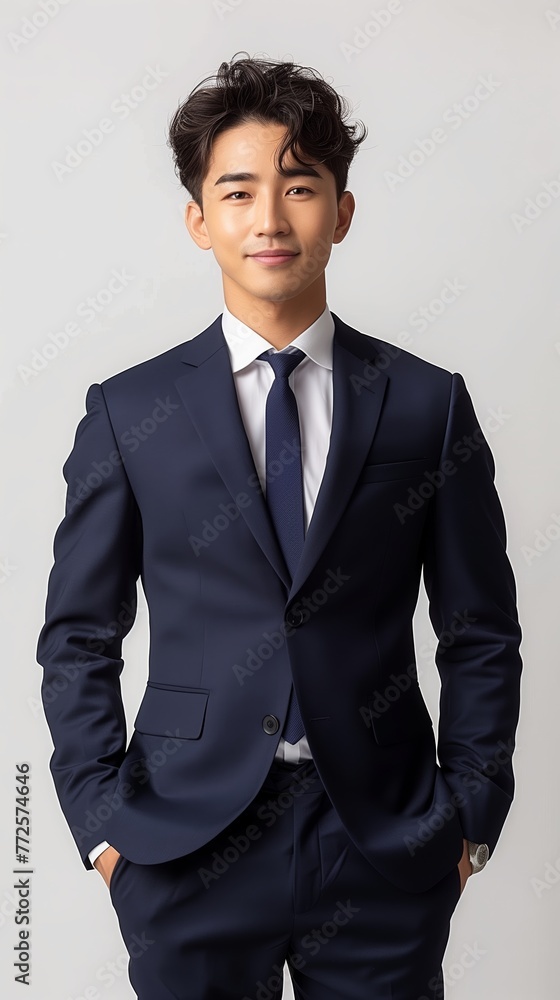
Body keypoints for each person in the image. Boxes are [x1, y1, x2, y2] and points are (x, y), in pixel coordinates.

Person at [37, 51, 523, 999]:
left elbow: (481, 632)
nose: (270, 219)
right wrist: (102, 828)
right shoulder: (128, 412)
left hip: (382, 842)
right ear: (198, 220)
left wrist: (470, 816)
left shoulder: (427, 405)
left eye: (300, 187)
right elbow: (79, 637)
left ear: (341, 212)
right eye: (239, 191)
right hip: (184, 844)